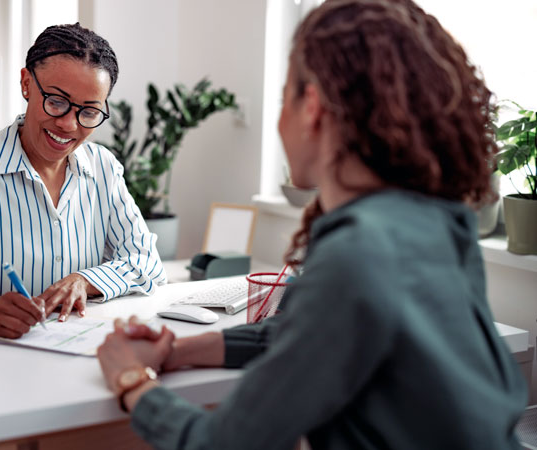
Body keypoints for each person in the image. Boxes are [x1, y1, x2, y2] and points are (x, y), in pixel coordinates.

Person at [96, 0, 528, 448]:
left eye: (284, 97)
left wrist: (131, 380)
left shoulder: (357, 253)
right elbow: (310, 333)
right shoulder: (434, 221)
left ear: (313, 107)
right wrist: (179, 350)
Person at [0, 23, 166, 338]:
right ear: (26, 84)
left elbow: (146, 261)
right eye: (57, 101)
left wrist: (85, 281)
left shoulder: (103, 168)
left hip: (73, 352)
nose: (68, 124)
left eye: (88, 112)